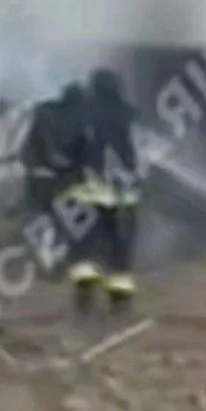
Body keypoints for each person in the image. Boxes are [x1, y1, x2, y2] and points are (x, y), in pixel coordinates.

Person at [67, 68, 141, 316]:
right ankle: (119, 298)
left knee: (84, 245)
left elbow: (72, 149)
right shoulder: (128, 114)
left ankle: (84, 293)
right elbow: (135, 152)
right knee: (119, 246)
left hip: (86, 193)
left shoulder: (81, 115)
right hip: (122, 196)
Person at [19, 82, 88, 276]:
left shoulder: (43, 113)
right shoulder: (74, 121)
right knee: (73, 221)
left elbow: (26, 149)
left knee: (46, 216)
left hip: (35, 175)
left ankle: (47, 251)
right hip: (56, 179)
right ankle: (52, 255)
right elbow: (67, 156)